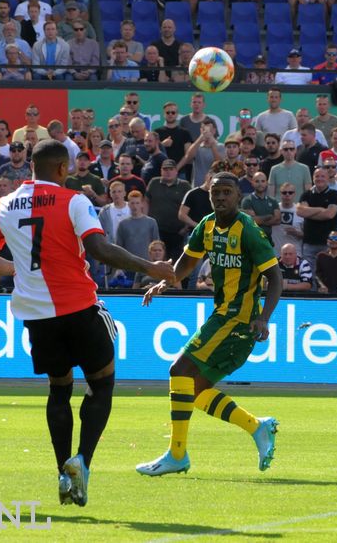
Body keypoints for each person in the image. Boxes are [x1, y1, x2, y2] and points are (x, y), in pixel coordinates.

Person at [0, 139, 173, 506]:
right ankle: (82, 460)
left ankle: (63, 475)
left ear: (30, 167)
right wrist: (150, 267)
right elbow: (98, 249)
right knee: (102, 385)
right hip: (79, 307)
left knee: (59, 389)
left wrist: (19, 269)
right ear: (63, 169)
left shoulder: (0, 206)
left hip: (38, 317)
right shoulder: (75, 201)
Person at [135, 171, 282, 477]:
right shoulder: (207, 225)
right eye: (216, 193)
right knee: (194, 390)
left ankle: (177, 455)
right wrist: (165, 283)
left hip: (239, 321)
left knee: (179, 371)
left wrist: (264, 317)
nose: (221, 198)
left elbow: (275, 277)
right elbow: (185, 264)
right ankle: (257, 427)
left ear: (237, 196)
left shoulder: (249, 231)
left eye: (227, 192)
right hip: (222, 316)